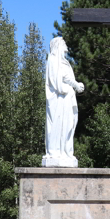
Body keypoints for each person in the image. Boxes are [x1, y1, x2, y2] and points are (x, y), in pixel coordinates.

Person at [42, 37, 84, 167]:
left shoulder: (62, 61)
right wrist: (76, 85)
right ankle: (56, 153)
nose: (66, 44)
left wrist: (74, 86)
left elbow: (65, 76)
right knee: (58, 125)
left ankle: (65, 152)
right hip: (60, 99)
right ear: (58, 45)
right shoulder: (53, 59)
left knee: (68, 125)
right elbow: (59, 78)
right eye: (64, 43)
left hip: (66, 98)